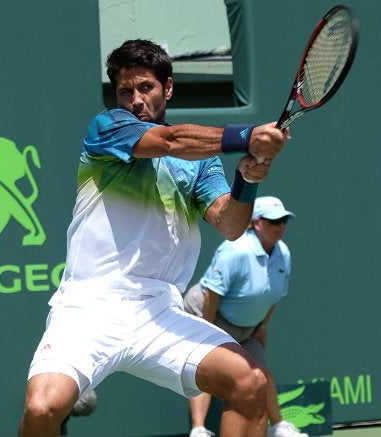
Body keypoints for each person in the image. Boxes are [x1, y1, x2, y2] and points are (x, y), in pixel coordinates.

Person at [17, 39, 289, 437]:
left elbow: (229, 225)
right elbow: (171, 141)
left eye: (145, 87)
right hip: (90, 305)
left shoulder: (201, 165)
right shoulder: (108, 126)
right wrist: (248, 136)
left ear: (168, 88)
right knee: (42, 409)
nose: (135, 100)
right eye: (125, 91)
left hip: (160, 311)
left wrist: (246, 179)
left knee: (249, 383)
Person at [183, 196, 307, 437]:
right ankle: (198, 430)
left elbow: (274, 295)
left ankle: (279, 427)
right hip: (208, 312)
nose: (280, 226)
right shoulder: (236, 250)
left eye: (283, 221)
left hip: (247, 326)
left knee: (261, 372)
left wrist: (263, 327)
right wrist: (208, 330)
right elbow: (212, 295)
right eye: (274, 221)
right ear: (256, 223)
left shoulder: (283, 254)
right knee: (206, 368)